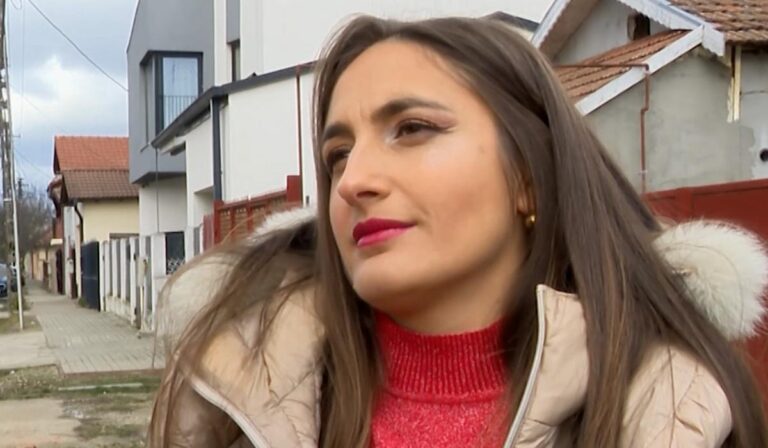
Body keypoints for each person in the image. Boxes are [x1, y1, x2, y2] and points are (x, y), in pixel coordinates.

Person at [148, 16, 768, 448]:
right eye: (337, 155)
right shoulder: (224, 396)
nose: (352, 181)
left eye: (412, 129)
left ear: (529, 177)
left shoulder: (674, 407)